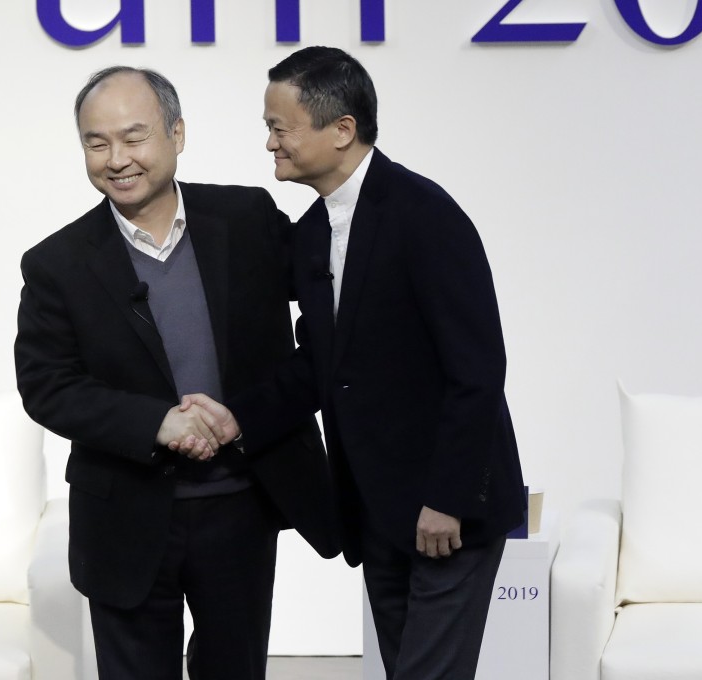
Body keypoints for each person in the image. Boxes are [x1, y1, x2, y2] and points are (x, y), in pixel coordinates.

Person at [183, 46, 526, 680]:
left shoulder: (425, 216)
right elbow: (321, 365)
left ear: (342, 129)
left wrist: (448, 499)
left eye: (279, 128)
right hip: (378, 512)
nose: (270, 144)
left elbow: (478, 372)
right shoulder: (315, 231)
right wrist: (237, 419)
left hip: (447, 512)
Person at [13, 66, 339, 680]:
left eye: (133, 137)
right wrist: (156, 423)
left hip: (241, 504)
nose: (116, 159)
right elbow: (47, 386)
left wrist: (248, 415)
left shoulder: (246, 217)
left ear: (177, 133)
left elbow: (328, 314)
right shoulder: (57, 262)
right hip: (124, 517)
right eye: (96, 143)